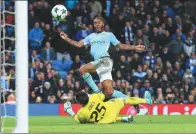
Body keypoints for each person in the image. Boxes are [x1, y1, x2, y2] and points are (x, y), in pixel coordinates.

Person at [60, 16, 145, 100]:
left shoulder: (109, 35)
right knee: (110, 92)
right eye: (95, 23)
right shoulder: (91, 36)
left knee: (82, 69)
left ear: (103, 24)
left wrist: (135, 47)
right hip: (100, 64)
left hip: (105, 61)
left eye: (98, 23)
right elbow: (78, 44)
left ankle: (97, 91)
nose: (96, 25)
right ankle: (133, 101)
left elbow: (121, 46)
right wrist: (66, 38)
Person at [64, 91, 152, 124]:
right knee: (125, 100)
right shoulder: (94, 97)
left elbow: (80, 121)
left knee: (90, 121)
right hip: (111, 108)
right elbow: (105, 97)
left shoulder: (81, 112)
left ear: (79, 103)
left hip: (105, 121)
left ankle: (123, 119)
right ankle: (146, 101)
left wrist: (69, 110)